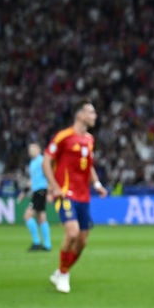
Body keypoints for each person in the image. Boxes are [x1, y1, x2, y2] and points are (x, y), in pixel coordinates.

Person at [42, 99, 107, 293]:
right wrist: (54, 187)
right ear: (80, 115)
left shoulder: (89, 139)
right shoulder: (63, 136)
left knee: (82, 241)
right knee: (72, 233)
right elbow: (46, 162)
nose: (94, 116)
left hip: (83, 196)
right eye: (91, 112)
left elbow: (89, 165)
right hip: (65, 193)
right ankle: (63, 275)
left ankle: (61, 271)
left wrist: (96, 184)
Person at [20, 142, 52, 251]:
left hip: (41, 190)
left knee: (27, 216)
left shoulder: (41, 161)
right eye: (30, 149)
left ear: (38, 150)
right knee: (41, 217)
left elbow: (49, 175)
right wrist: (23, 192)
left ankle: (36, 242)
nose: (31, 151)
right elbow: (32, 180)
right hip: (37, 191)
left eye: (33, 149)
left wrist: (49, 192)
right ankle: (47, 245)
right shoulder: (32, 163)